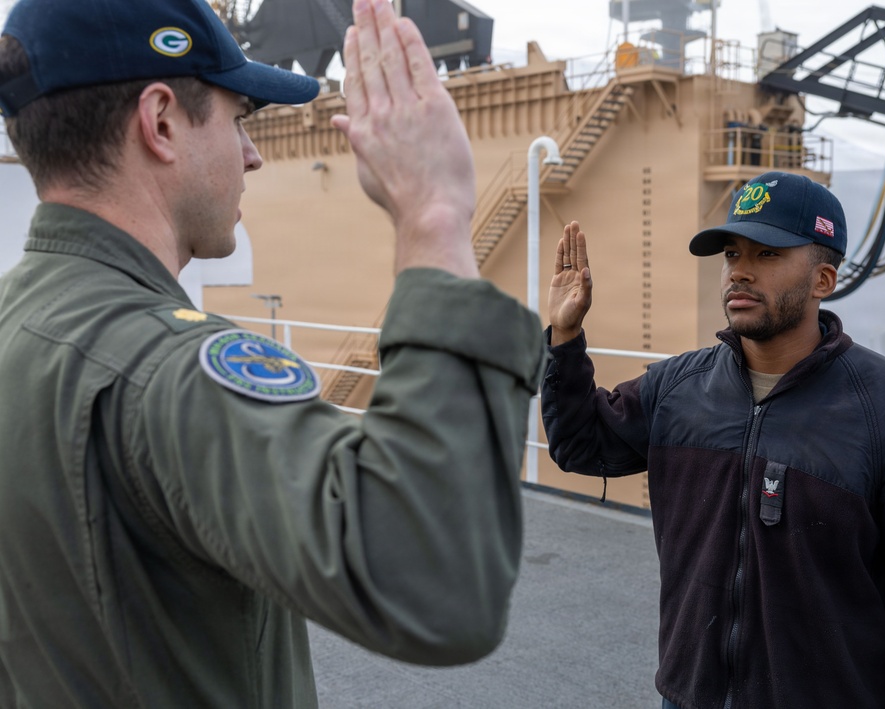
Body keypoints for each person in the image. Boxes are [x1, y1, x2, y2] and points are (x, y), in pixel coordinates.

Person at [0, 0, 546, 705]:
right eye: (238, 119)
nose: (252, 154)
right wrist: (433, 215)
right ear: (160, 123)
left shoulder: (18, 321)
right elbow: (442, 584)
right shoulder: (168, 368)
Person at [542, 171, 885, 708]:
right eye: (732, 253)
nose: (739, 271)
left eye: (767, 254)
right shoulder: (677, 388)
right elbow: (580, 445)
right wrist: (565, 336)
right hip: (690, 696)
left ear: (823, 280)